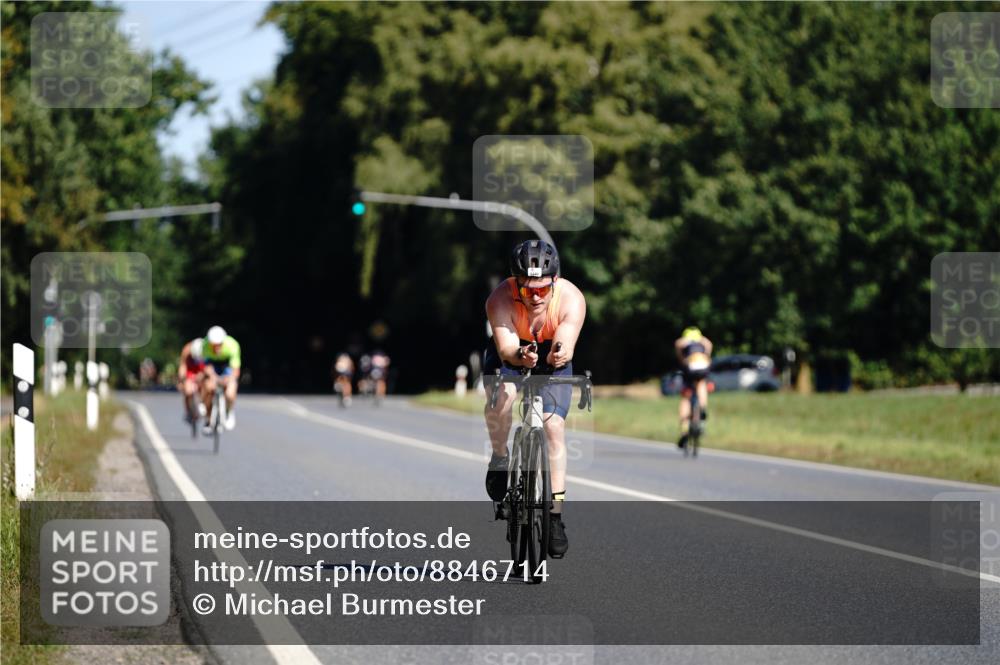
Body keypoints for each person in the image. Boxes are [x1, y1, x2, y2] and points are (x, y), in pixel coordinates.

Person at [483, 240, 586, 557]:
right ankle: (500, 458)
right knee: (502, 400)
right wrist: (519, 355)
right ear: (516, 285)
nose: (537, 297)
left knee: (554, 427)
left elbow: (567, 336)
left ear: (554, 281)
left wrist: (560, 351)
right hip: (512, 355)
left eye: (543, 289)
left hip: (553, 359)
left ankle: (554, 516)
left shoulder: (571, 298)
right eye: (529, 291)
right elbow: (505, 349)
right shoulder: (499, 299)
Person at [675, 326, 713, 449]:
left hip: (690, 366)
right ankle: (702, 408)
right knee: (701, 384)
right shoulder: (702, 341)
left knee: (686, 398)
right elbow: (709, 345)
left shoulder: (683, 342)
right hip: (702, 364)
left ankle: (684, 431)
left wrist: (682, 359)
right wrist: (706, 355)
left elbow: (678, 346)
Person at [201, 325, 241, 433]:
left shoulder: (232, 345)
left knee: (230, 393)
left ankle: (229, 411)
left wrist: (229, 379)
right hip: (212, 364)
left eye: (219, 345)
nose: (217, 348)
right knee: (209, 387)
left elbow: (235, 370)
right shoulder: (205, 345)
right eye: (214, 345)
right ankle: (208, 418)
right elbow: (205, 366)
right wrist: (212, 376)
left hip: (227, 365)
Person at [177, 338, 206, 424]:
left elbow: (208, 367)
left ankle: (202, 403)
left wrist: (202, 375)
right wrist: (181, 380)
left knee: (204, 386)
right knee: (188, 391)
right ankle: (188, 411)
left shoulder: (207, 350)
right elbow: (182, 366)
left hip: (202, 369)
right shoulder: (187, 350)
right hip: (190, 369)